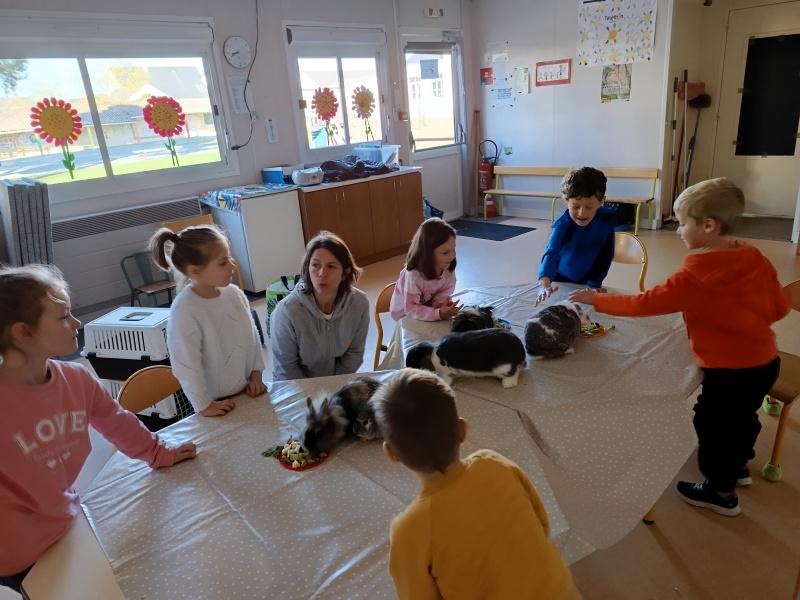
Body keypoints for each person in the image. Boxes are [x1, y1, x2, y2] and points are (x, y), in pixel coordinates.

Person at [569, 178, 789, 516]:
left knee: (712, 428)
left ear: (708, 226)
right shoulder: (753, 255)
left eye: (683, 223)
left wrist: (595, 300)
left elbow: (643, 304)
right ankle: (739, 465)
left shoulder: (694, 275)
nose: (679, 231)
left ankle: (721, 491)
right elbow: (779, 308)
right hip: (766, 362)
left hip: (729, 372)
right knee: (744, 417)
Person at [0, 264, 197, 594]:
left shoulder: (76, 379)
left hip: (65, 523)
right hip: (15, 552)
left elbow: (117, 422)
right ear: (23, 332)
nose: (76, 323)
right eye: (63, 317)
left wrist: (159, 452)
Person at [372, 368, 582, 599]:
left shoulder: (410, 532)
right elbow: (542, 523)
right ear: (463, 430)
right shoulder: (494, 463)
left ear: (391, 454)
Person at [149, 224, 266, 417]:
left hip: (247, 393)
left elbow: (252, 337)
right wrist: (204, 406)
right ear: (195, 271)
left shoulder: (234, 294)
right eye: (222, 263)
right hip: (214, 403)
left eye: (229, 258)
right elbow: (186, 365)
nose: (232, 266)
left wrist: (256, 375)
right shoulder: (184, 310)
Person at [270, 231, 370, 381]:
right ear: (307, 269)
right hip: (294, 387)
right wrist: (315, 391)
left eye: (331, 266)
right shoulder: (287, 311)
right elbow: (286, 368)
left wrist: (333, 386)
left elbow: (354, 354)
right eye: (316, 265)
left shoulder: (359, 303)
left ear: (345, 273)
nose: (322, 273)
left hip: (337, 384)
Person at [536, 167, 616, 305]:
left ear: (601, 201)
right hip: (560, 279)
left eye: (589, 207)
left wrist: (594, 284)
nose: (582, 213)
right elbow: (551, 252)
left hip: (588, 281)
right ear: (566, 201)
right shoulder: (562, 225)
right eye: (575, 206)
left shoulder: (606, 221)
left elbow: (606, 255)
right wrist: (544, 283)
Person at [390, 217, 461, 321]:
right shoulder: (414, 275)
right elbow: (410, 309)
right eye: (445, 252)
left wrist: (441, 304)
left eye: (453, 249)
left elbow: (444, 292)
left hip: (426, 311)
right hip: (405, 317)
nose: (452, 256)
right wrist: (438, 313)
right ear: (427, 253)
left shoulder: (447, 267)